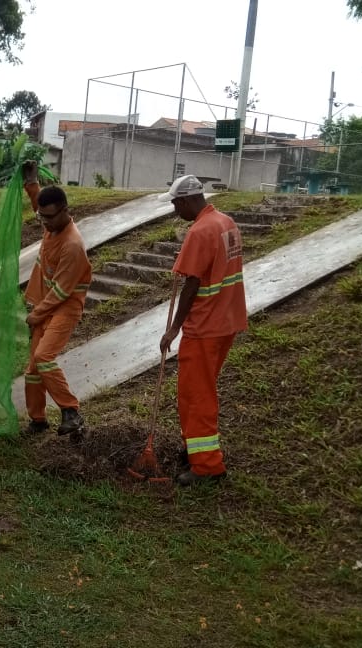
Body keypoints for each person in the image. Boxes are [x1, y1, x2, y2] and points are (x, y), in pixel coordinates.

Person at [158, 175, 247, 486]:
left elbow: (191, 284)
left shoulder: (199, 231)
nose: (174, 211)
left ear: (184, 201)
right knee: (201, 390)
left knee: (196, 396)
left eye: (174, 204)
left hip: (205, 326)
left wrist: (172, 330)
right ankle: (193, 449)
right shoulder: (227, 222)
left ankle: (207, 465)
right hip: (227, 322)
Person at [23, 186, 92, 438]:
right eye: (42, 216)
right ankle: (38, 421)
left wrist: (35, 315)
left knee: (43, 357)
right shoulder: (51, 225)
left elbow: (61, 293)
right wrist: (31, 186)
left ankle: (71, 411)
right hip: (46, 306)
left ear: (65, 211)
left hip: (64, 308)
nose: (44, 222)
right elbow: (39, 206)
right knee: (32, 371)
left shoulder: (72, 245)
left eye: (49, 217)